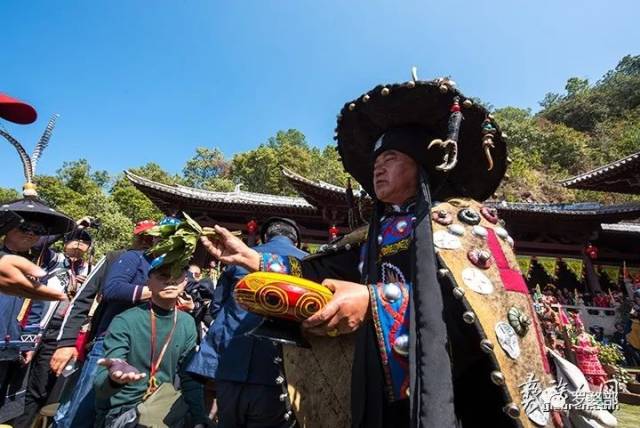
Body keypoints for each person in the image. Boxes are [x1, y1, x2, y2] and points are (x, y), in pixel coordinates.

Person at [202, 74, 554, 427]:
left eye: (390, 156)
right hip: (380, 387)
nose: (378, 167)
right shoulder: (374, 235)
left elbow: (482, 311)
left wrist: (376, 301)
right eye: (375, 161)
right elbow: (324, 269)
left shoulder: (467, 223)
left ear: (423, 163)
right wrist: (254, 258)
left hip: (459, 392)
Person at [188, 217, 307, 427]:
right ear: (295, 242)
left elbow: (216, 307)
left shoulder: (240, 259)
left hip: (231, 364)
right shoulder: (308, 263)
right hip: (277, 370)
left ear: (264, 237)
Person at [53, 219, 157, 428]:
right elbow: (83, 298)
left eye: (153, 236)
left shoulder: (167, 268)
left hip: (143, 345)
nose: (148, 241)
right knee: (79, 404)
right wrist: (66, 342)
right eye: (145, 236)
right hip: (106, 338)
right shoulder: (118, 257)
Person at [94, 266, 206, 428]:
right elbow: (101, 388)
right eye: (162, 275)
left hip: (163, 402)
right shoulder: (126, 320)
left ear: (185, 282)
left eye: (176, 275)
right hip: (124, 409)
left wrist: (199, 420)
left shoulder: (187, 322)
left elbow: (190, 378)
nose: (170, 280)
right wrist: (115, 379)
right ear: (148, 282)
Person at [11, 228, 95, 428]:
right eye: (74, 239)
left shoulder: (88, 268)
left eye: (84, 241)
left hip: (59, 330)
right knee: (16, 373)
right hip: (33, 324)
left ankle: (23, 424)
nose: (78, 244)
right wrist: (71, 227)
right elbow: (39, 243)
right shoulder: (52, 258)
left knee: (40, 384)